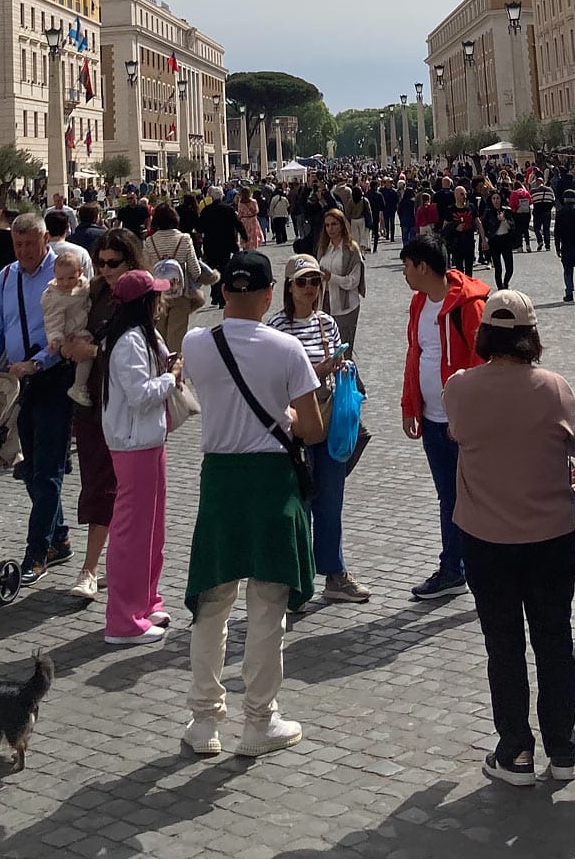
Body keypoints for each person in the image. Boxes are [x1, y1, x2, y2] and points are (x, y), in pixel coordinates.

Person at [444, 290, 575, 788]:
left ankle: (515, 750)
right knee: (555, 643)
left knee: (503, 646)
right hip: (549, 536)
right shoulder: (553, 387)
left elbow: (457, 435)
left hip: (486, 539)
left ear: (484, 333)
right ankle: (564, 749)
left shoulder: (460, 387)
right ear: (532, 335)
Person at [180, 251, 325, 758]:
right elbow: (310, 429)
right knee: (267, 606)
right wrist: (284, 414)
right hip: (269, 482)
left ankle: (203, 720)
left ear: (223, 293)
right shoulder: (287, 349)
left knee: (211, 603)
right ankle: (259, 719)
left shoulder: (196, 343)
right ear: (269, 295)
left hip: (218, 479)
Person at [0, 212, 74, 584]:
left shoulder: (63, 272)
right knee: (30, 468)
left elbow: (72, 326)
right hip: (18, 382)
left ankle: (37, 551)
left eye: (31, 243)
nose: (25, 251)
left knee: (47, 470)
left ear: (45, 239)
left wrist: (40, 361)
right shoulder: (6, 276)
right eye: (18, 245)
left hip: (52, 377)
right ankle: (59, 536)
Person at [268, 257, 370, 605]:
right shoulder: (277, 326)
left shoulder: (327, 323)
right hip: (295, 428)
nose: (309, 289)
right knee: (299, 506)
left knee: (331, 502)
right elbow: (275, 378)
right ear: (288, 287)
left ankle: (335, 573)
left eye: (314, 281)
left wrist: (341, 368)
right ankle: (297, 582)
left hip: (328, 424)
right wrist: (318, 368)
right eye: (301, 282)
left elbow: (331, 370)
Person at [400, 234, 489, 600]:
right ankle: (454, 569)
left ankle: (481, 567)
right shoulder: (419, 303)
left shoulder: (468, 305)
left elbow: (482, 362)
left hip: (464, 423)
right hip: (434, 420)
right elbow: (414, 355)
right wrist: (410, 405)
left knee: (477, 495)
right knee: (448, 497)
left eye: (407, 267)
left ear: (423, 267)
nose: (404, 274)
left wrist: (462, 412)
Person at [60, 226, 146, 602]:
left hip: (126, 402)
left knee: (126, 488)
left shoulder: (140, 299)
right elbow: (71, 328)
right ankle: (93, 566)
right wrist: (68, 346)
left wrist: (93, 354)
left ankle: (100, 566)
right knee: (97, 482)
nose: (106, 270)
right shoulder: (92, 292)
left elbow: (145, 354)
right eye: (100, 263)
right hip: (92, 400)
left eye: (113, 263)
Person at [99, 270, 178, 645]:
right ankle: (122, 619)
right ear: (146, 303)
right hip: (133, 444)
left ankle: (146, 602)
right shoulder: (129, 341)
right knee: (132, 534)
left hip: (147, 441)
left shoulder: (143, 336)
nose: (162, 301)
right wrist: (172, 378)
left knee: (152, 530)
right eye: (156, 296)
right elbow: (140, 394)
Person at [145, 203, 218, 353]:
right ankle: (176, 369)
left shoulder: (149, 242)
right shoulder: (184, 239)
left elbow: (147, 269)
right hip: (181, 291)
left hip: (159, 294)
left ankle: (161, 366)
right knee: (176, 336)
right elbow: (195, 270)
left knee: (160, 336)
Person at [41, 247, 94, 410]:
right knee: (87, 355)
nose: (65, 283)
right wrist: (55, 339)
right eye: (61, 279)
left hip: (82, 325)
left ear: (80, 273)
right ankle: (79, 386)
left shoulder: (86, 286)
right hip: (70, 333)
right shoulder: (54, 296)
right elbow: (52, 320)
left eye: (70, 278)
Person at [316, 206, 366, 354]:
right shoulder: (324, 248)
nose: (330, 228)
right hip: (324, 303)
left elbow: (353, 281)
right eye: (327, 225)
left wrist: (332, 277)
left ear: (342, 225)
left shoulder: (351, 249)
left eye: (334, 224)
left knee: (344, 351)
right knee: (326, 349)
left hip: (345, 306)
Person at [480, 189, 516, 289]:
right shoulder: (488, 212)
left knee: (510, 268)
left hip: (506, 240)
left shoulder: (507, 210)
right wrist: (484, 239)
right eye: (494, 198)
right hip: (494, 241)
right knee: (498, 268)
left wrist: (504, 220)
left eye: (498, 198)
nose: (496, 200)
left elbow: (513, 226)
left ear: (501, 199)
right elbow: (483, 226)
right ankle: (500, 288)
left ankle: (506, 283)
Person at [446, 186, 480, 277]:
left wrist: (483, 239)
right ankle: (462, 289)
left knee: (469, 270)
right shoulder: (450, 209)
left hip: (469, 242)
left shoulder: (471, 207)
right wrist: (455, 227)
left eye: (465, 194)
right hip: (457, 244)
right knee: (459, 270)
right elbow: (445, 228)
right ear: (456, 195)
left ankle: (468, 289)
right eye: (461, 194)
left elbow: (478, 223)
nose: (464, 196)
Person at [507, 178, 533, 252]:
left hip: (517, 214)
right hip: (526, 213)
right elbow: (531, 201)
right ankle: (528, 245)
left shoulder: (514, 193)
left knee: (518, 231)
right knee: (525, 230)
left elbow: (512, 204)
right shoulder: (526, 192)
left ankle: (520, 246)